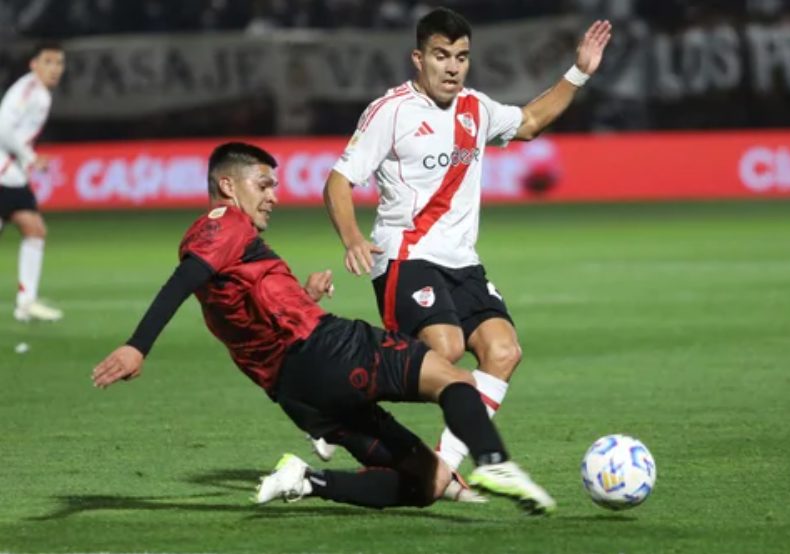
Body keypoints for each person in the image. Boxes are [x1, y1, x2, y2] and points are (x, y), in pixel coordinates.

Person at [91, 142, 556, 514]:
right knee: (455, 380)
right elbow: (185, 278)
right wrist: (137, 346)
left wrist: (303, 297)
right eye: (263, 185)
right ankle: (494, 462)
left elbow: (245, 312)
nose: (273, 196)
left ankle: (307, 481)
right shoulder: (223, 223)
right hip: (328, 349)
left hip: (297, 394)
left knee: (429, 481)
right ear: (227, 186)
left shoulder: (229, 250)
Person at [323, 8, 611, 472]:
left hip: (462, 262)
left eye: (461, 57)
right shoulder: (390, 112)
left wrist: (579, 72)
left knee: (504, 351)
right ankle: (341, 403)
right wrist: (352, 237)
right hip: (405, 255)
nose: (453, 67)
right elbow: (338, 180)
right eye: (441, 56)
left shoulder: (476, 108)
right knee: (447, 349)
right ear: (419, 58)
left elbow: (531, 121)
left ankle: (444, 466)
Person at [0, 42, 66, 322]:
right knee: (34, 230)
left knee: (35, 230)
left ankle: (26, 303)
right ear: (33, 64)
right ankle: (26, 303)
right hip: (4, 173)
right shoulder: (28, 92)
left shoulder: (39, 92)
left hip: (12, 174)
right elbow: (2, 127)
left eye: (59, 63)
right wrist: (31, 157)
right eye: (48, 62)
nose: (55, 68)